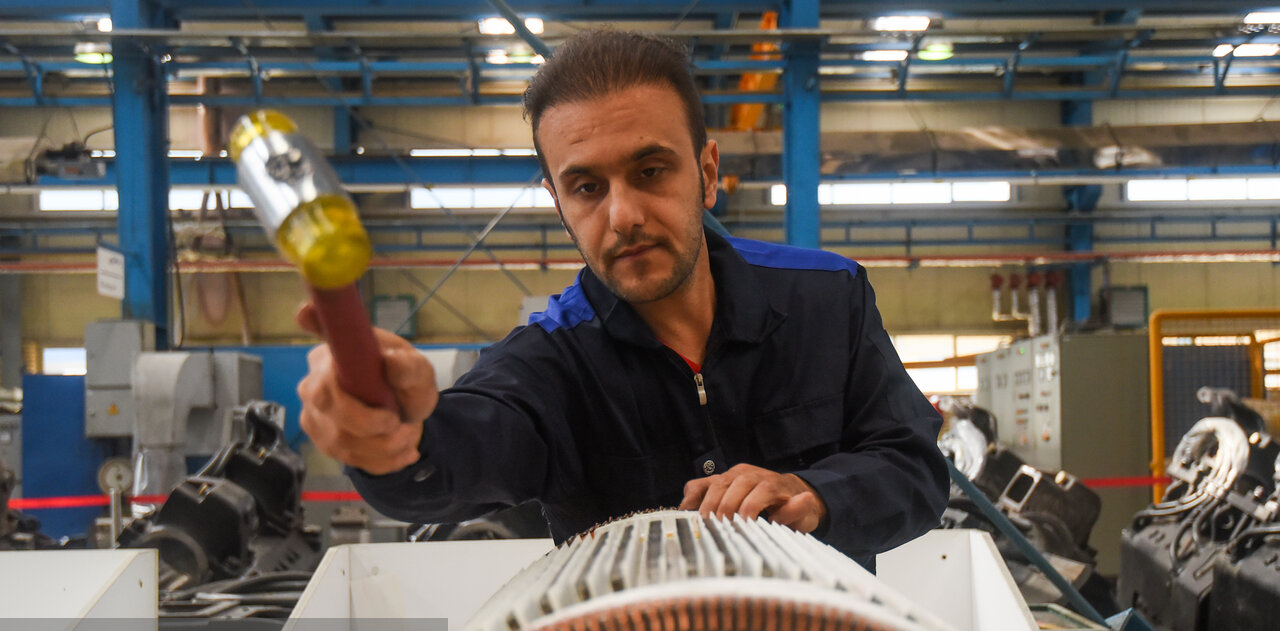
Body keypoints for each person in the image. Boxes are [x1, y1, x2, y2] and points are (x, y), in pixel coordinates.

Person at [296, 29, 948, 569]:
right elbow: (457, 452)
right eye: (587, 188)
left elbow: (914, 468)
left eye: (650, 171)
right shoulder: (550, 364)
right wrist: (394, 435)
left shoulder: (828, 300)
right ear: (558, 203)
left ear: (708, 173)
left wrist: (814, 494)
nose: (623, 216)